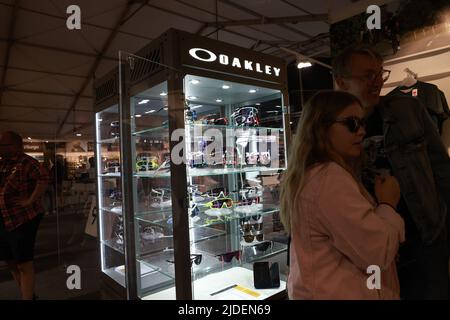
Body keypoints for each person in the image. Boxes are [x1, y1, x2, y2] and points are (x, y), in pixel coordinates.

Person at [332, 45, 450, 299]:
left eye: (379, 74)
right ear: (341, 82)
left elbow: (441, 167)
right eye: (367, 76)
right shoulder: (333, 128)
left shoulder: (408, 109)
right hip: (375, 245)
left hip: (425, 234)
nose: (376, 82)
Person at [281, 91, 405, 299]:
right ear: (321, 127)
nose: (362, 131)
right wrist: (387, 204)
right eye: (352, 123)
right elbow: (378, 250)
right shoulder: (328, 178)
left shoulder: (310, 174)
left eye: (362, 123)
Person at [0, 131, 49, 299]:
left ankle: (27, 296)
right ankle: (27, 294)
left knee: (24, 263)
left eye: (5, 145)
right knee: (11, 260)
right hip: (5, 219)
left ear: (16, 146)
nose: (1, 148)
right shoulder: (4, 163)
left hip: (23, 219)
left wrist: (30, 200)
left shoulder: (27, 162)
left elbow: (43, 178)